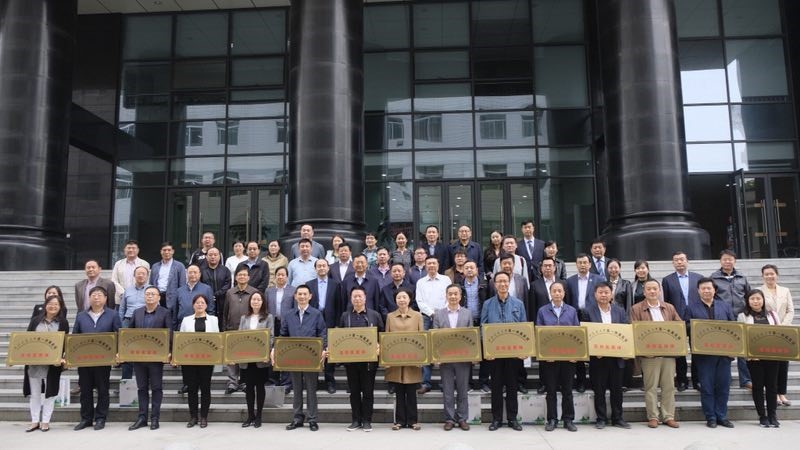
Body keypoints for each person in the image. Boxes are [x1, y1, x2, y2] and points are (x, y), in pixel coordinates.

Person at [630, 279, 681, 429]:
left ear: (659, 291)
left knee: (669, 386)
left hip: (668, 353)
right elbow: (634, 330)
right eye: (649, 289)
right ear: (644, 292)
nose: (652, 291)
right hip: (649, 355)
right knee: (650, 387)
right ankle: (653, 416)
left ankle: (668, 416)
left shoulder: (669, 307)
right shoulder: (636, 309)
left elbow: (679, 326)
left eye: (655, 289)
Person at [277, 285, 328, 432]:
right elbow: (283, 334)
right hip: (293, 357)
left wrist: (323, 349)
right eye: (299, 294)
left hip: (311, 357)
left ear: (310, 296)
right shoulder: (289, 315)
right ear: (295, 296)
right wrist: (277, 349)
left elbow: (322, 333)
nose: (302, 297)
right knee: (297, 388)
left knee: (311, 389)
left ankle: (312, 419)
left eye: (305, 294)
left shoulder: (316, 314)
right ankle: (297, 418)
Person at [688, 277, 736, 428]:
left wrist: (733, 350)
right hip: (704, 355)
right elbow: (687, 328)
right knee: (707, 387)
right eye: (703, 288)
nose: (706, 291)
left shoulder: (725, 306)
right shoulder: (691, 308)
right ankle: (711, 417)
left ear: (714, 290)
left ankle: (721, 416)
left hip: (724, 354)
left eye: (709, 288)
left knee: (723, 386)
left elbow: (734, 328)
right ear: (698, 291)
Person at [481, 271, 526, 431]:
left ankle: (512, 418)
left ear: (509, 283)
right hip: (495, 354)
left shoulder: (518, 304)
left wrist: (523, 350)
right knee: (496, 387)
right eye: (499, 281)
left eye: (505, 281)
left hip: (513, 353)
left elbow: (524, 327)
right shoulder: (487, 304)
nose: (502, 284)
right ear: (494, 284)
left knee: (513, 386)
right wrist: (487, 351)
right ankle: (497, 419)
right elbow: (483, 328)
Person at [73, 286, 122, 431]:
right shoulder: (81, 316)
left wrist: (118, 353)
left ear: (106, 298)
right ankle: (86, 418)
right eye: (93, 295)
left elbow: (118, 336)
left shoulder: (113, 315)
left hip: (104, 360)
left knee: (103, 389)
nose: (96, 297)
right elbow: (74, 337)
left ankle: (100, 418)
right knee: (85, 390)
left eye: (99, 295)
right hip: (84, 360)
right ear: (89, 298)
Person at [584, 282, 631, 429]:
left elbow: (625, 331)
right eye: (600, 292)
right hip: (598, 359)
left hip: (616, 358)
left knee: (617, 390)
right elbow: (585, 334)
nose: (603, 295)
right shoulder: (587, 311)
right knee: (599, 390)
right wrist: (592, 351)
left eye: (606, 292)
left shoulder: (620, 311)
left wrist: (626, 351)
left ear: (611, 294)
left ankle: (618, 418)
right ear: (595, 295)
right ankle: (601, 418)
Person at [536, 281, 580, 432]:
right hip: (550, 358)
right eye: (554, 291)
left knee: (567, 390)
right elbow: (539, 333)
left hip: (568, 358)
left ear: (564, 293)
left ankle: (568, 419)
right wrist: (544, 354)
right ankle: (552, 419)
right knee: (551, 390)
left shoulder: (571, 311)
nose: (557, 293)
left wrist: (576, 355)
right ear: (550, 293)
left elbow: (577, 333)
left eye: (559, 291)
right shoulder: (542, 311)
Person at [339, 286, 384, 432]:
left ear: (365, 298)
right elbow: (339, 337)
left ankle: (367, 420)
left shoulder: (374, 315)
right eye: (354, 296)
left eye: (360, 296)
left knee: (368, 391)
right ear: (351, 299)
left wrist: (379, 345)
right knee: (354, 392)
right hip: (351, 361)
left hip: (369, 362)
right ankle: (355, 420)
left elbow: (382, 334)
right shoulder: (345, 316)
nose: (357, 299)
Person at [127, 286, 171, 431]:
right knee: (142, 388)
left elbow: (169, 334)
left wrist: (169, 352)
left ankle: (155, 418)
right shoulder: (137, 312)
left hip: (156, 359)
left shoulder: (165, 313)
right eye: (147, 294)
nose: (150, 296)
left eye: (153, 294)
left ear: (159, 297)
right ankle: (142, 417)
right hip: (139, 358)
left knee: (156, 388)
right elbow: (129, 334)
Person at [23, 294, 68, 432]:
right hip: (35, 362)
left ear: (60, 307)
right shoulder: (35, 321)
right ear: (45, 305)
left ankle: (45, 421)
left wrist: (62, 358)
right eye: (50, 303)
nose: (53, 306)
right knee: (35, 393)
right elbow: (26, 339)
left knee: (50, 393)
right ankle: (34, 421)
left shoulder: (63, 323)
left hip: (53, 364)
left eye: (56, 304)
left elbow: (65, 343)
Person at [738, 289, 782, 428]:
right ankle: (762, 416)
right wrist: (749, 354)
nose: (755, 301)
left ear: (763, 300)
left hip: (772, 356)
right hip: (754, 358)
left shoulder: (772, 315)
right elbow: (741, 337)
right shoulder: (743, 316)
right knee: (757, 387)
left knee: (772, 386)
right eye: (752, 299)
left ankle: (772, 415)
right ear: (748, 301)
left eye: (758, 298)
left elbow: (780, 333)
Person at [432, 284, 473, 431]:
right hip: (445, 359)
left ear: (460, 296)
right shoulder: (439, 314)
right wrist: (436, 357)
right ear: (446, 296)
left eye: (456, 294)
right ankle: (449, 419)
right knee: (448, 391)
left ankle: (462, 418)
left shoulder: (467, 314)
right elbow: (435, 336)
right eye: (450, 294)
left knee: (463, 390)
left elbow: (471, 337)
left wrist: (472, 355)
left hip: (463, 358)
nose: (453, 296)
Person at [661, 251, 702, 391]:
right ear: (673, 263)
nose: (679, 262)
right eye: (676, 260)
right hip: (676, 320)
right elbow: (666, 302)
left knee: (697, 351)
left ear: (687, 261)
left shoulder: (698, 278)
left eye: (682, 259)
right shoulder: (667, 280)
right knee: (679, 351)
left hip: (695, 319)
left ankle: (697, 380)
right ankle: (681, 380)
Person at [384, 288, 423, 431]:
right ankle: (399, 421)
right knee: (399, 392)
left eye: (404, 297)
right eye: (399, 297)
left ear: (409, 299)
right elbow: (386, 337)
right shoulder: (390, 316)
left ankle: (413, 421)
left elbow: (422, 337)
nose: (402, 300)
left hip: (413, 359)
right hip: (396, 360)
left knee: (412, 392)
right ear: (395, 300)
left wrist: (421, 358)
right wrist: (386, 359)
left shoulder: (417, 316)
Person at [179, 294, 219, 429]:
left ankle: (204, 417)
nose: (200, 305)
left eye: (202, 303)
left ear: (206, 305)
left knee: (205, 389)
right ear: (193, 305)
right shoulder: (186, 320)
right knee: (192, 389)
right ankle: (193, 417)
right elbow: (181, 340)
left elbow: (217, 339)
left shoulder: (213, 320)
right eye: (197, 302)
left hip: (207, 360)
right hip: (189, 360)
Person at [756, 264, 794, 407]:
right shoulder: (759, 291)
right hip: (767, 332)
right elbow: (758, 309)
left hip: (783, 331)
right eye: (766, 274)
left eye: (772, 273)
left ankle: (782, 393)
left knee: (783, 363)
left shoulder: (785, 290)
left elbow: (790, 310)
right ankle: (773, 394)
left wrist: (782, 325)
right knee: (770, 365)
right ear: (762, 276)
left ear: (776, 275)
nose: (769, 276)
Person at [565, 253, 602, 392]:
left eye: (585, 262)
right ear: (576, 265)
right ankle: (581, 381)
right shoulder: (569, 281)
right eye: (580, 262)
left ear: (590, 264)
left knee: (594, 348)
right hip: (575, 316)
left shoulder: (598, 279)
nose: (582, 265)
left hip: (593, 317)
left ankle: (595, 381)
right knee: (578, 348)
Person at [414, 255, 451, 394]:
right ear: (425, 265)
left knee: (443, 348)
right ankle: (425, 382)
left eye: (434, 263)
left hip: (444, 316)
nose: (431, 266)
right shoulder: (421, 282)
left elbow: (449, 297)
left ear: (438, 265)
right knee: (426, 348)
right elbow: (419, 301)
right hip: (426, 317)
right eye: (429, 263)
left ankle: (445, 382)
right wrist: (431, 313)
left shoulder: (446, 280)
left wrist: (440, 313)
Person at [238, 291, 275, 429]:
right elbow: (239, 336)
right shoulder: (244, 318)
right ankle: (250, 416)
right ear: (250, 302)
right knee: (248, 388)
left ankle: (259, 416)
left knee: (260, 387)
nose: (255, 301)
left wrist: (266, 353)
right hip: (247, 359)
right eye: (253, 299)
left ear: (262, 302)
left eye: (258, 299)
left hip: (261, 359)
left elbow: (271, 337)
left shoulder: (268, 317)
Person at [222, 266, 259, 394]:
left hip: (248, 331)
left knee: (246, 357)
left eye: (244, 275)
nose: (242, 277)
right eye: (239, 275)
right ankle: (232, 382)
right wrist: (224, 330)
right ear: (236, 277)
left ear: (248, 277)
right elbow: (225, 312)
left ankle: (244, 382)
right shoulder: (230, 292)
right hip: (232, 329)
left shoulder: (254, 292)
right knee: (231, 359)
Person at [307, 258, 341, 394]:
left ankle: (329, 381)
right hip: (313, 321)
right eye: (319, 266)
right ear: (315, 269)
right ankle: (313, 382)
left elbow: (339, 305)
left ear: (328, 268)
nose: (321, 268)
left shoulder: (335, 284)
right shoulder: (309, 284)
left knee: (329, 351)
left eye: (324, 266)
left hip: (330, 322)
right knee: (314, 350)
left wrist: (338, 324)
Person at [462, 260, 491, 391]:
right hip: (465, 322)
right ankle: (467, 382)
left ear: (477, 270)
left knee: (485, 352)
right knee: (467, 352)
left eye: (472, 267)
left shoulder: (485, 284)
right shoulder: (459, 286)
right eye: (466, 268)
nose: (469, 270)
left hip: (482, 320)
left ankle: (483, 381)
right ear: (463, 271)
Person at [266, 266, 296, 389]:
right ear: (275, 276)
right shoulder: (269, 291)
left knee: (286, 351)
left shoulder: (293, 290)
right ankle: (272, 379)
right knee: (272, 350)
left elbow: (295, 309)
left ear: (287, 277)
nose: (280, 277)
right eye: (278, 274)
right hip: (272, 324)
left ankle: (286, 382)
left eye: (283, 275)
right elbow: (266, 308)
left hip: (287, 324)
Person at [118, 266, 150, 380]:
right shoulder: (128, 290)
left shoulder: (151, 290)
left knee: (145, 350)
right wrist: (121, 324)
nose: (140, 275)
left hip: (145, 320)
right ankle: (126, 381)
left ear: (147, 276)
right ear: (134, 275)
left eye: (143, 273)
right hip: (128, 321)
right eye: (138, 273)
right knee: (127, 351)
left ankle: (145, 381)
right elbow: (122, 308)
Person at [172, 265, 215, 331]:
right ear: (186, 274)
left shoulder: (207, 289)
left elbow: (210, 310)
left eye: (195, 272)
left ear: (199, 274)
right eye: (190, 272)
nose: (192, 274)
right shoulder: (179, 291)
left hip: (201, 325)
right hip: (183, 326)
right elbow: (175, 311)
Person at [149, 242, 187, 309]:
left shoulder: (179, 266)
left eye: (169, 250)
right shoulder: (155, 266)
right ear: (161, 252)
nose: (166, 252)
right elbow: (151, 283)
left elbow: (182, 285)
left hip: (172, 299)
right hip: (157, 297)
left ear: (173, 251)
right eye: (164, 250)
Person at [200, 247, 231, 322]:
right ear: (206, 257)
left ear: (219, 257)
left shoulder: (225, 270)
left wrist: (217, 294)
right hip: (206, 301)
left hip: (222, 301)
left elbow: (228, 284)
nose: (213, 257)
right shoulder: (202, 270)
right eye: (210, 255)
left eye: (215, 255)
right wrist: (209, 295)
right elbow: (200, 285)